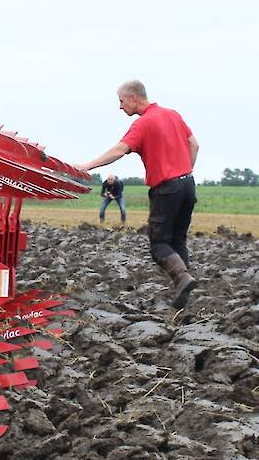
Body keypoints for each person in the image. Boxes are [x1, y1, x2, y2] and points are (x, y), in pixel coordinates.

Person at [75, 80, 200, 308]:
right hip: (188, 185)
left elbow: (120, 150)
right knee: (177, 240)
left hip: (167, 189)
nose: (120, 107)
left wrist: (87, 166)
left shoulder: (143, 124)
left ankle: (182, 278)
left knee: (159, 244)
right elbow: (194, 144)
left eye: (121, 101)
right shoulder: (173, 114)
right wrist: (185, 172)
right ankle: (184, 294)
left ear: (134, 98)